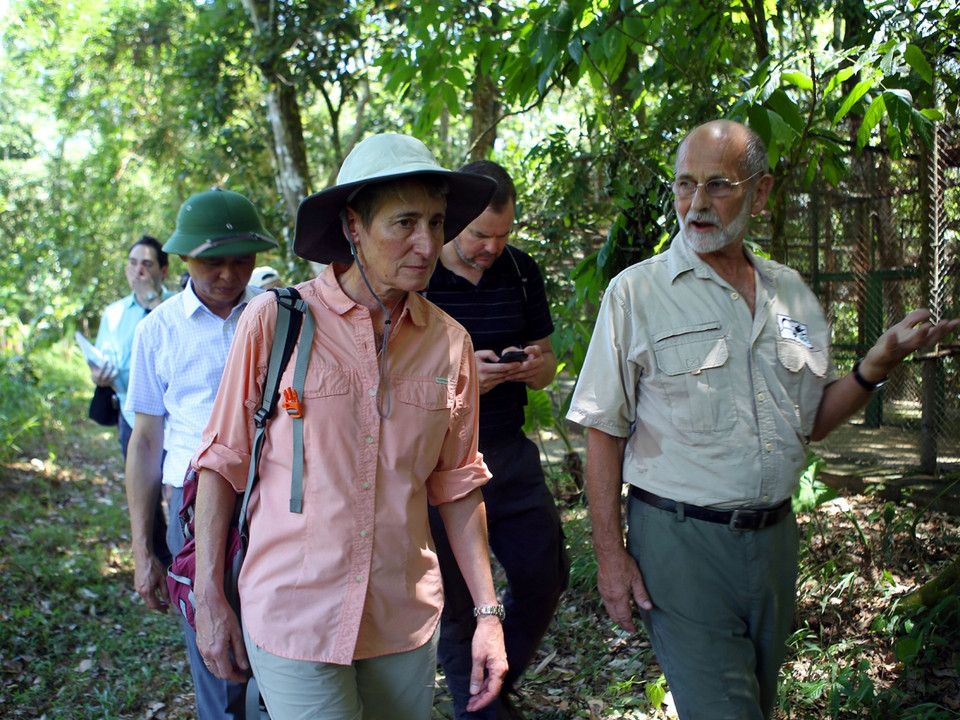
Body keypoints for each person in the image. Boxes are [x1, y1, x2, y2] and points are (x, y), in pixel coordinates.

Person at [566, 119, 960, 720]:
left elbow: (812, 420)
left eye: (718, 185)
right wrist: (609, 555)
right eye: (685, 184)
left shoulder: (791, 292)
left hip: (774, 542)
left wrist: (879, 361)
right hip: (680, 544)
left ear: (762, 191)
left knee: (757, 701)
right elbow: (604, 430)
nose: (697, 203)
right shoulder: (636, 293)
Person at [191, 133, 509, 720]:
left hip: (402, 617)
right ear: (353, 226)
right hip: (294, 612)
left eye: (436, 223)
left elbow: (458, 485)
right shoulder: (276, 322)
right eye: (404, 222)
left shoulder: (449, 344)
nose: (426, 244)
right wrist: (209, 595)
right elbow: (221, 461)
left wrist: (488, 615)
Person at [124, 188, 279, 720]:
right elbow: (146, 441)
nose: (229, 275)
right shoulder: (157, 331)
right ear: (185, 257)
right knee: (220, 655)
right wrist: (143, 550)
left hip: (276, 499)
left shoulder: (279, 317)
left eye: (243, 260)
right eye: (214, 262)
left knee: (290, 650)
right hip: (192, 510)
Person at [423, 160, 569, 719]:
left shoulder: (521, 270)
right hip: (439, 462)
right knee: (460, 608)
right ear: (451, 220)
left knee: (544, 576)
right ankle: (484, 708)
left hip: (508, 450)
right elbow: (385, 380)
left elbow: (548, 361)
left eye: (502, 235)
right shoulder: (419, 275)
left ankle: (492, 685)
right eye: (479, 235)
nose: (491, 247)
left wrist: (534, 366)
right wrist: (460, 381)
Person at [91, 235, 176, 563]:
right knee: (146, 498)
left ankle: (187, 562)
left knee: (178, 493)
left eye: (147, 264)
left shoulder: (177, 306)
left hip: (175, 420)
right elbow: (103, 359)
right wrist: (99, 376)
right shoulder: (113, 314)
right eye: (132, 263)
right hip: (131, 417)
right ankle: (158, 563)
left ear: (163, 270)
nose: (138, 270)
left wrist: (153, 301)